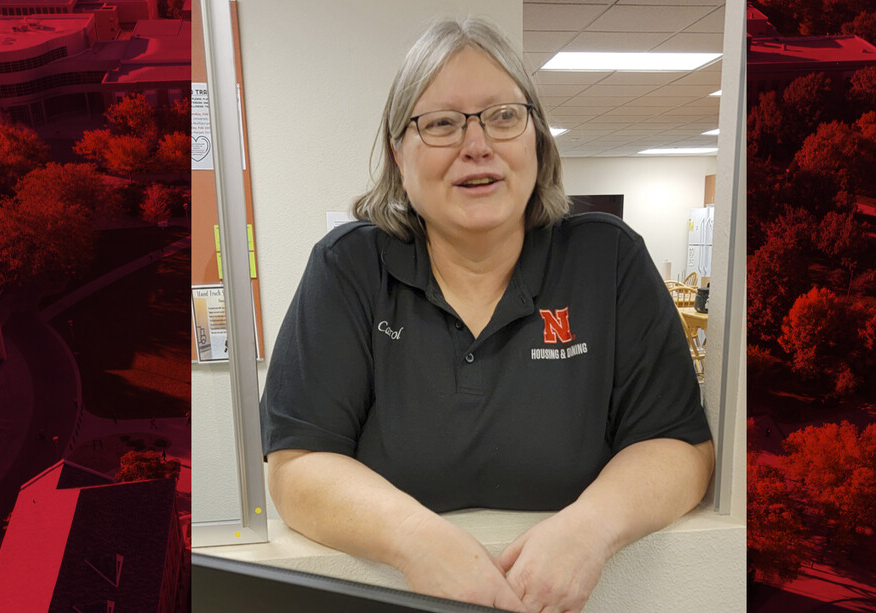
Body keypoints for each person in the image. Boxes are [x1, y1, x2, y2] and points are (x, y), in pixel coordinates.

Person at [260, 17, 714, 613]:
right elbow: (298, 467)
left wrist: (589, 529)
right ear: (399, 154)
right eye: (442, 123)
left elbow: (679, 445)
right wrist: (419, 542)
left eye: (503, 116)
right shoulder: (348, 268)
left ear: (536, 139)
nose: (478, 145)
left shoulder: (608, 259)